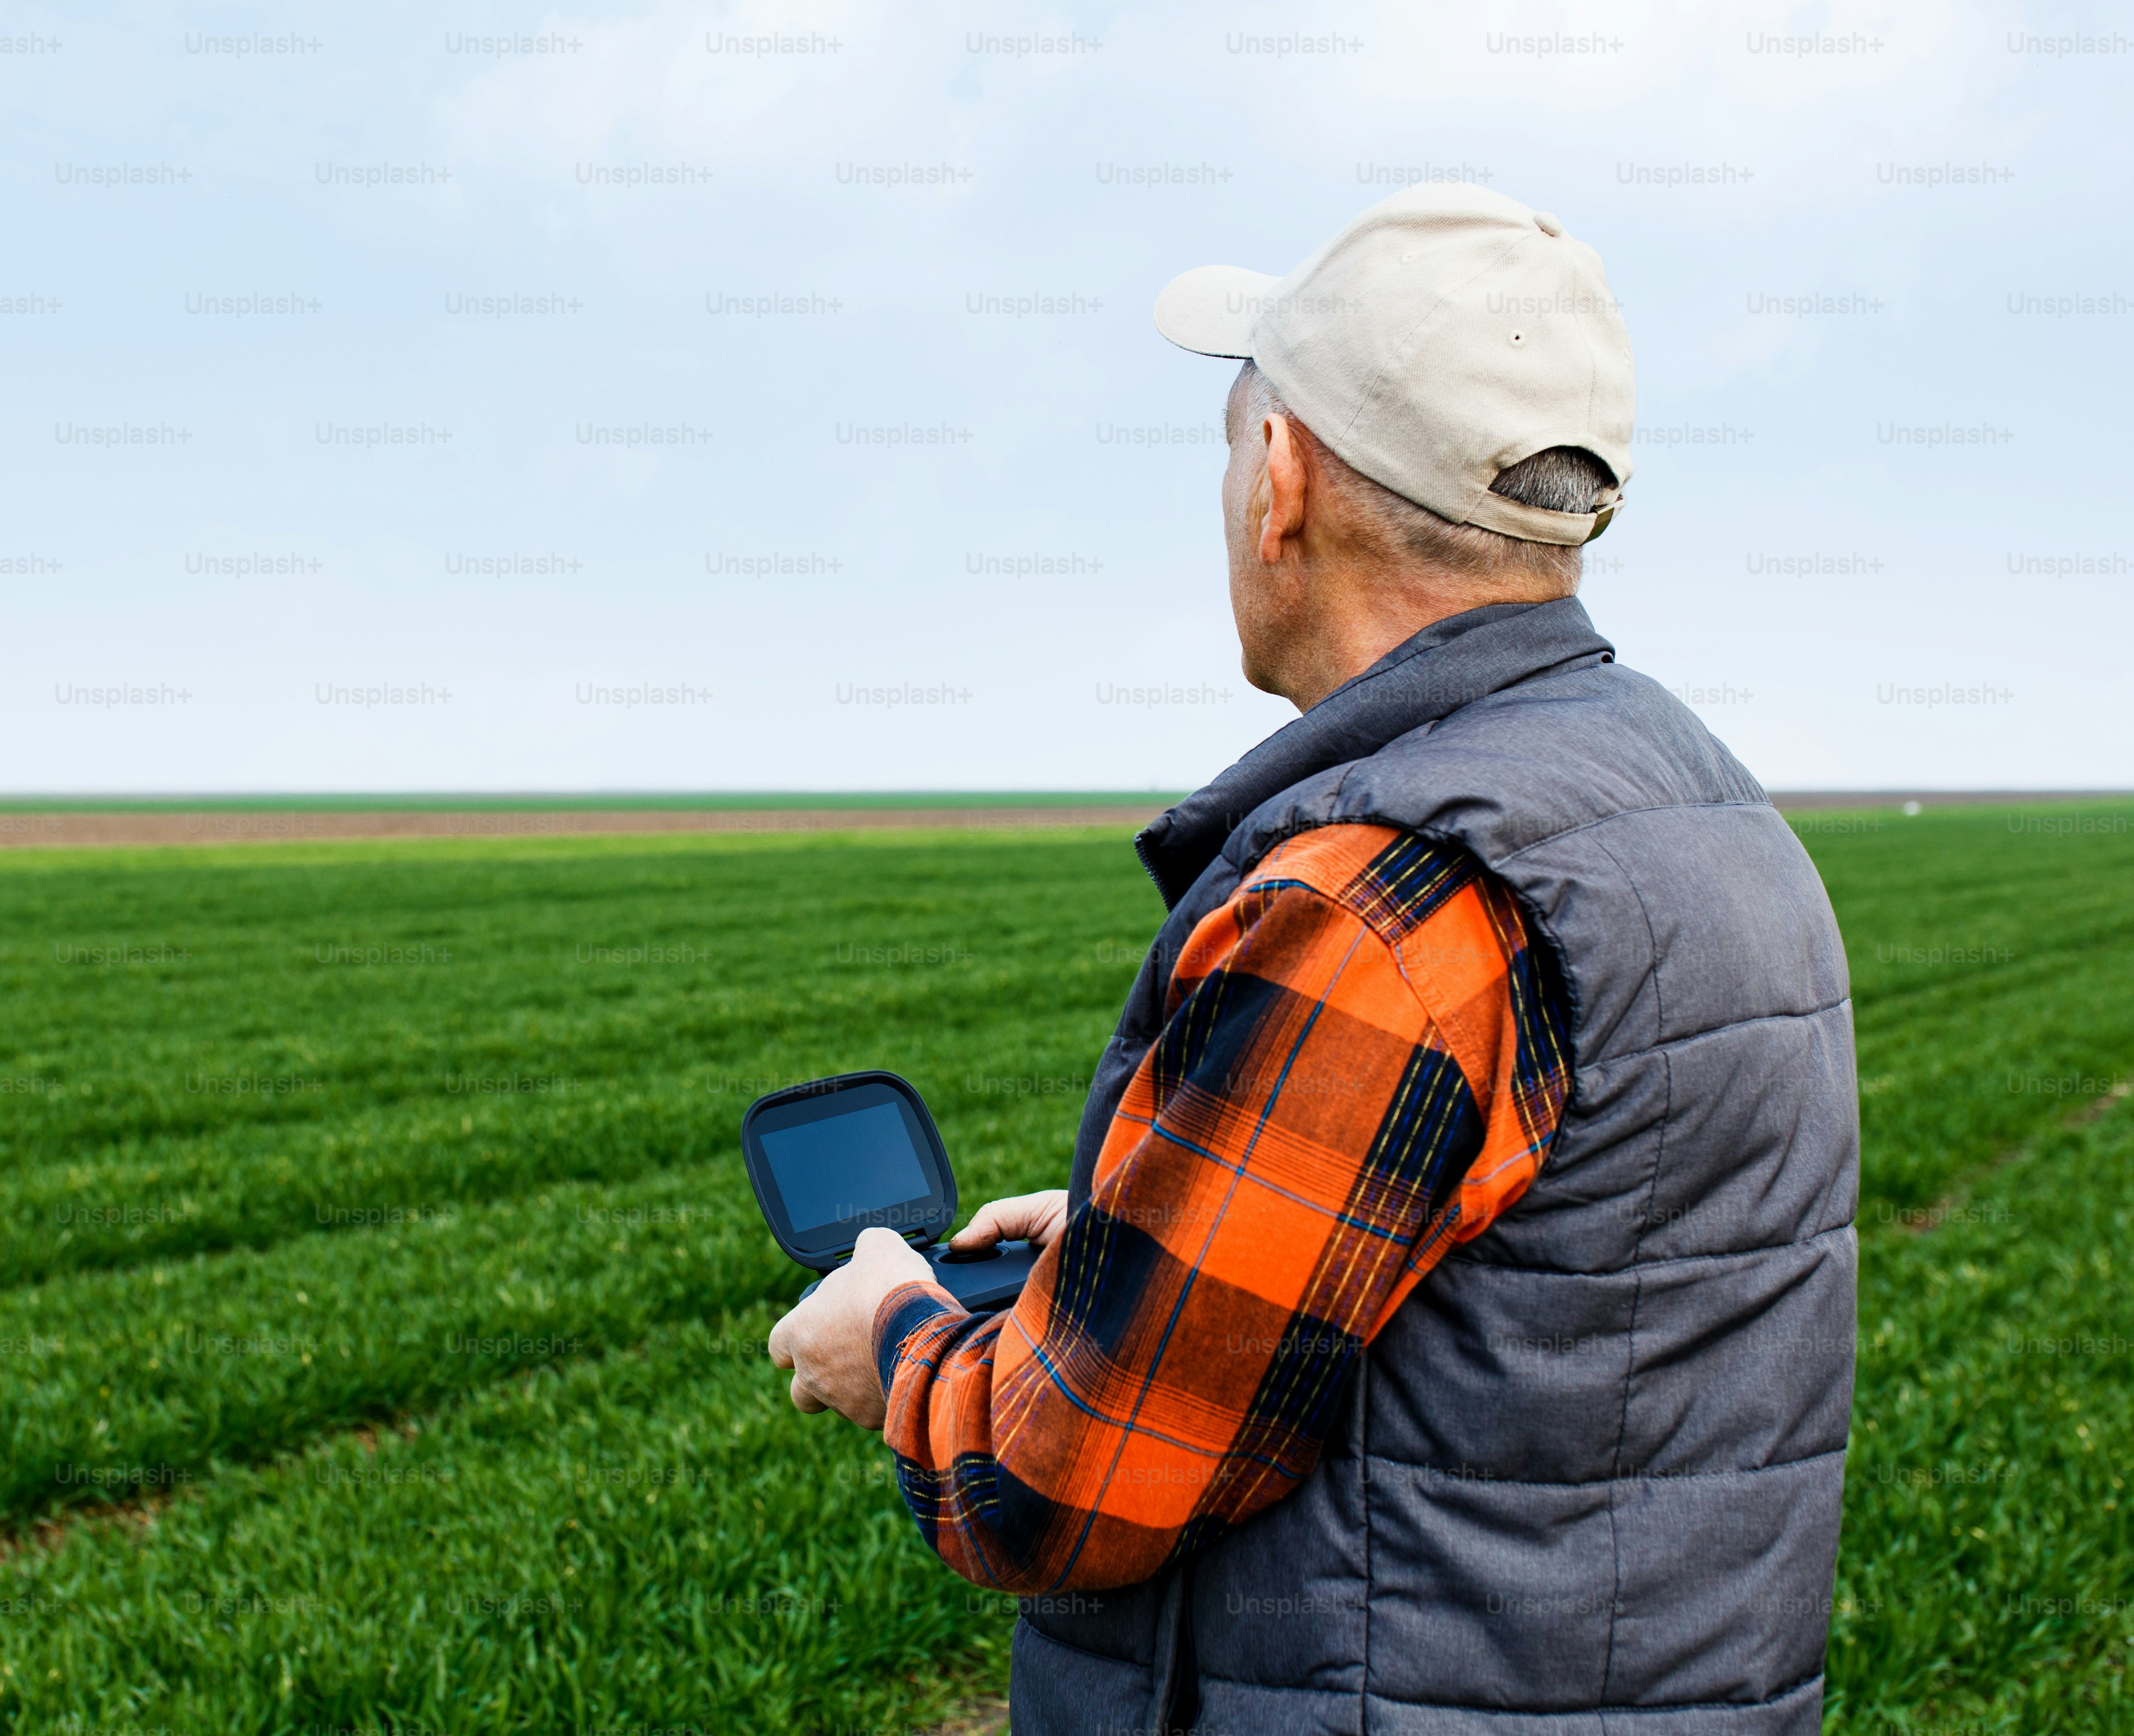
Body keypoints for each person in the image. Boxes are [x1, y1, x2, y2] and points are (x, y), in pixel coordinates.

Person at [769, 181, 1858, 1736]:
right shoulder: (1685, 798)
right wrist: (1152, 1233)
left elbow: (1054, 1483)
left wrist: (889, 1339)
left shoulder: (1376, 902)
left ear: (1278, 478)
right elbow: (1575, 1281)